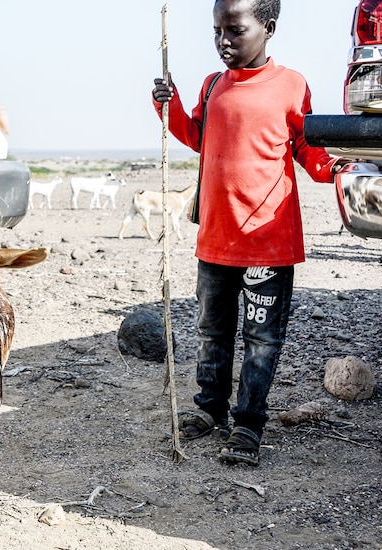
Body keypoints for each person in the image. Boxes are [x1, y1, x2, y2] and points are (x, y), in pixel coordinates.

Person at [151, 0, 346, 466]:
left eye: (235, 31)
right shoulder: (213, 84)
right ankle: (209, 409)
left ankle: (247, 424)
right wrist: (167, 104)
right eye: (217, 31)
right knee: (211, 330)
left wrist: (340, 168)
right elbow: (199, 137)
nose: (223, 41)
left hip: (268, 242)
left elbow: (306, 148)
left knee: (262, 339)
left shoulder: (291, 86)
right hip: (216, 239)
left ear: (268, 28)